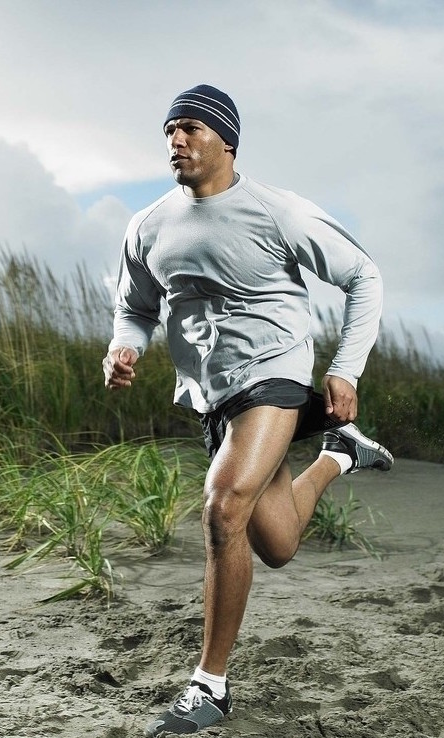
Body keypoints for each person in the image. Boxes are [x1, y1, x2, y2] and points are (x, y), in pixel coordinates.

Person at [102, 84, 393, 736]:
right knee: (277, 542)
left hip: (276, 378)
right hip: (213, 396)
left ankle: (209, 687)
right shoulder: (148, 225)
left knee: (222, 504)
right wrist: (123, 348)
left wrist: (343, 367)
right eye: (169, 131)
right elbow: (135, 307)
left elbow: (362, 277)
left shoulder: (276, 212)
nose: (175, 141)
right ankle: (338, 456)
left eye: (189, 129)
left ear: (225, 140)